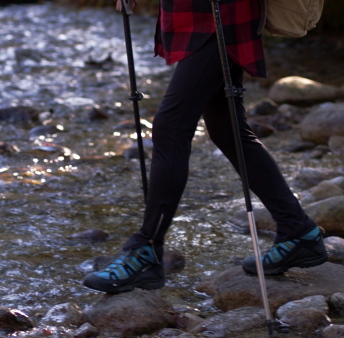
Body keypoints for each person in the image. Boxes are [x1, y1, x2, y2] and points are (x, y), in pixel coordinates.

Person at [83, 0, 328, 293]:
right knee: (228, 130)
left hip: (219, 14)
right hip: (199, 14)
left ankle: (146, 249)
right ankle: (297, 230)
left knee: (171, 127)